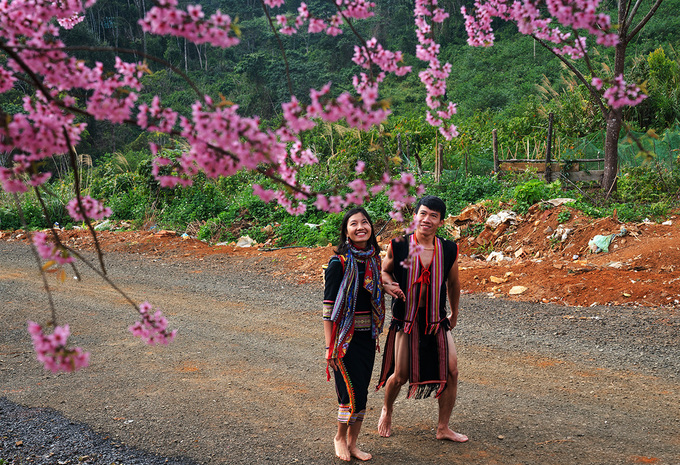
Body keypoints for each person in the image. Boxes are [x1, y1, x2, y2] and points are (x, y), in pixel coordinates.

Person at [376, 195, 468, 443]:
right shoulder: (399, 245)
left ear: (441, 221)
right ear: (415, 216)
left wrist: (455, 313)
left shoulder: (448, 249)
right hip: (407, 319)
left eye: (433, 216)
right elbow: (384, 271)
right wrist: (388, 285)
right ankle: (388, 409)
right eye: (423, 213)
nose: (427, 219)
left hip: (437, 319)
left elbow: (454, 283)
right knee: (400, 375)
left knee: (452, 371)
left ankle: (443, 427)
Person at [323, 207, 386, 461]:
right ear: (346, 231)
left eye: (364, 222)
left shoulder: (373, 260)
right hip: (343, 341)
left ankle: (353, 443)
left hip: (367, 338)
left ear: (371, 227)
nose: (360, 227)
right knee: (349, 393)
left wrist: (389, 286)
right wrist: (329, 347)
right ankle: (339, 437)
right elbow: (328, 310)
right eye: (353, 223)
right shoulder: (338, 263)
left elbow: (374, 286)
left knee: (362, 393)